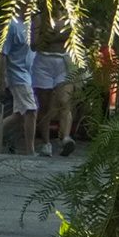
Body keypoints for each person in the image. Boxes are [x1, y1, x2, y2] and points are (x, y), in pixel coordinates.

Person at [30, 11, 75, 157]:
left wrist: (55, 36)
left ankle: (66, 138)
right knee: (45, 106)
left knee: (65, 101)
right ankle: (46, 143)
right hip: (44, 62)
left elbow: (79, 38)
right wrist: (47, 36)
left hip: (64, 61)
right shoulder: (40, 16)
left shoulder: (71, 13)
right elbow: (33, 44)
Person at [0, 9, 36, 155]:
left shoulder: (30, 23)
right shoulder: (12, 25)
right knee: (31, 110)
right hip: (17, 75)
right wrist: (1, 79)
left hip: (27, 74)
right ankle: (30, 150)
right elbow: (2, 54)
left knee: (19, 115)